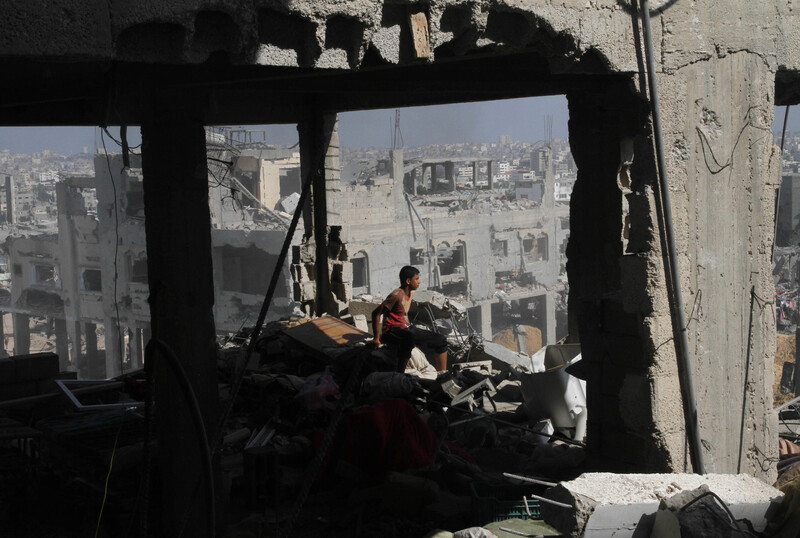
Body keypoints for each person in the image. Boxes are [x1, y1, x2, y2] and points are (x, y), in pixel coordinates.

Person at [371, 265, 448, 372]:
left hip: (406, 328)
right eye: (416, 279)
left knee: (441, 340)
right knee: (408, 339)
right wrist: (376, 338)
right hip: (392, 330)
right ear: (408, 281)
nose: (419, 282)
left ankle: (442, 373)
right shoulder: (396, 295)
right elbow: (376, 313)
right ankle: (400, 373)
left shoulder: (410, 293)